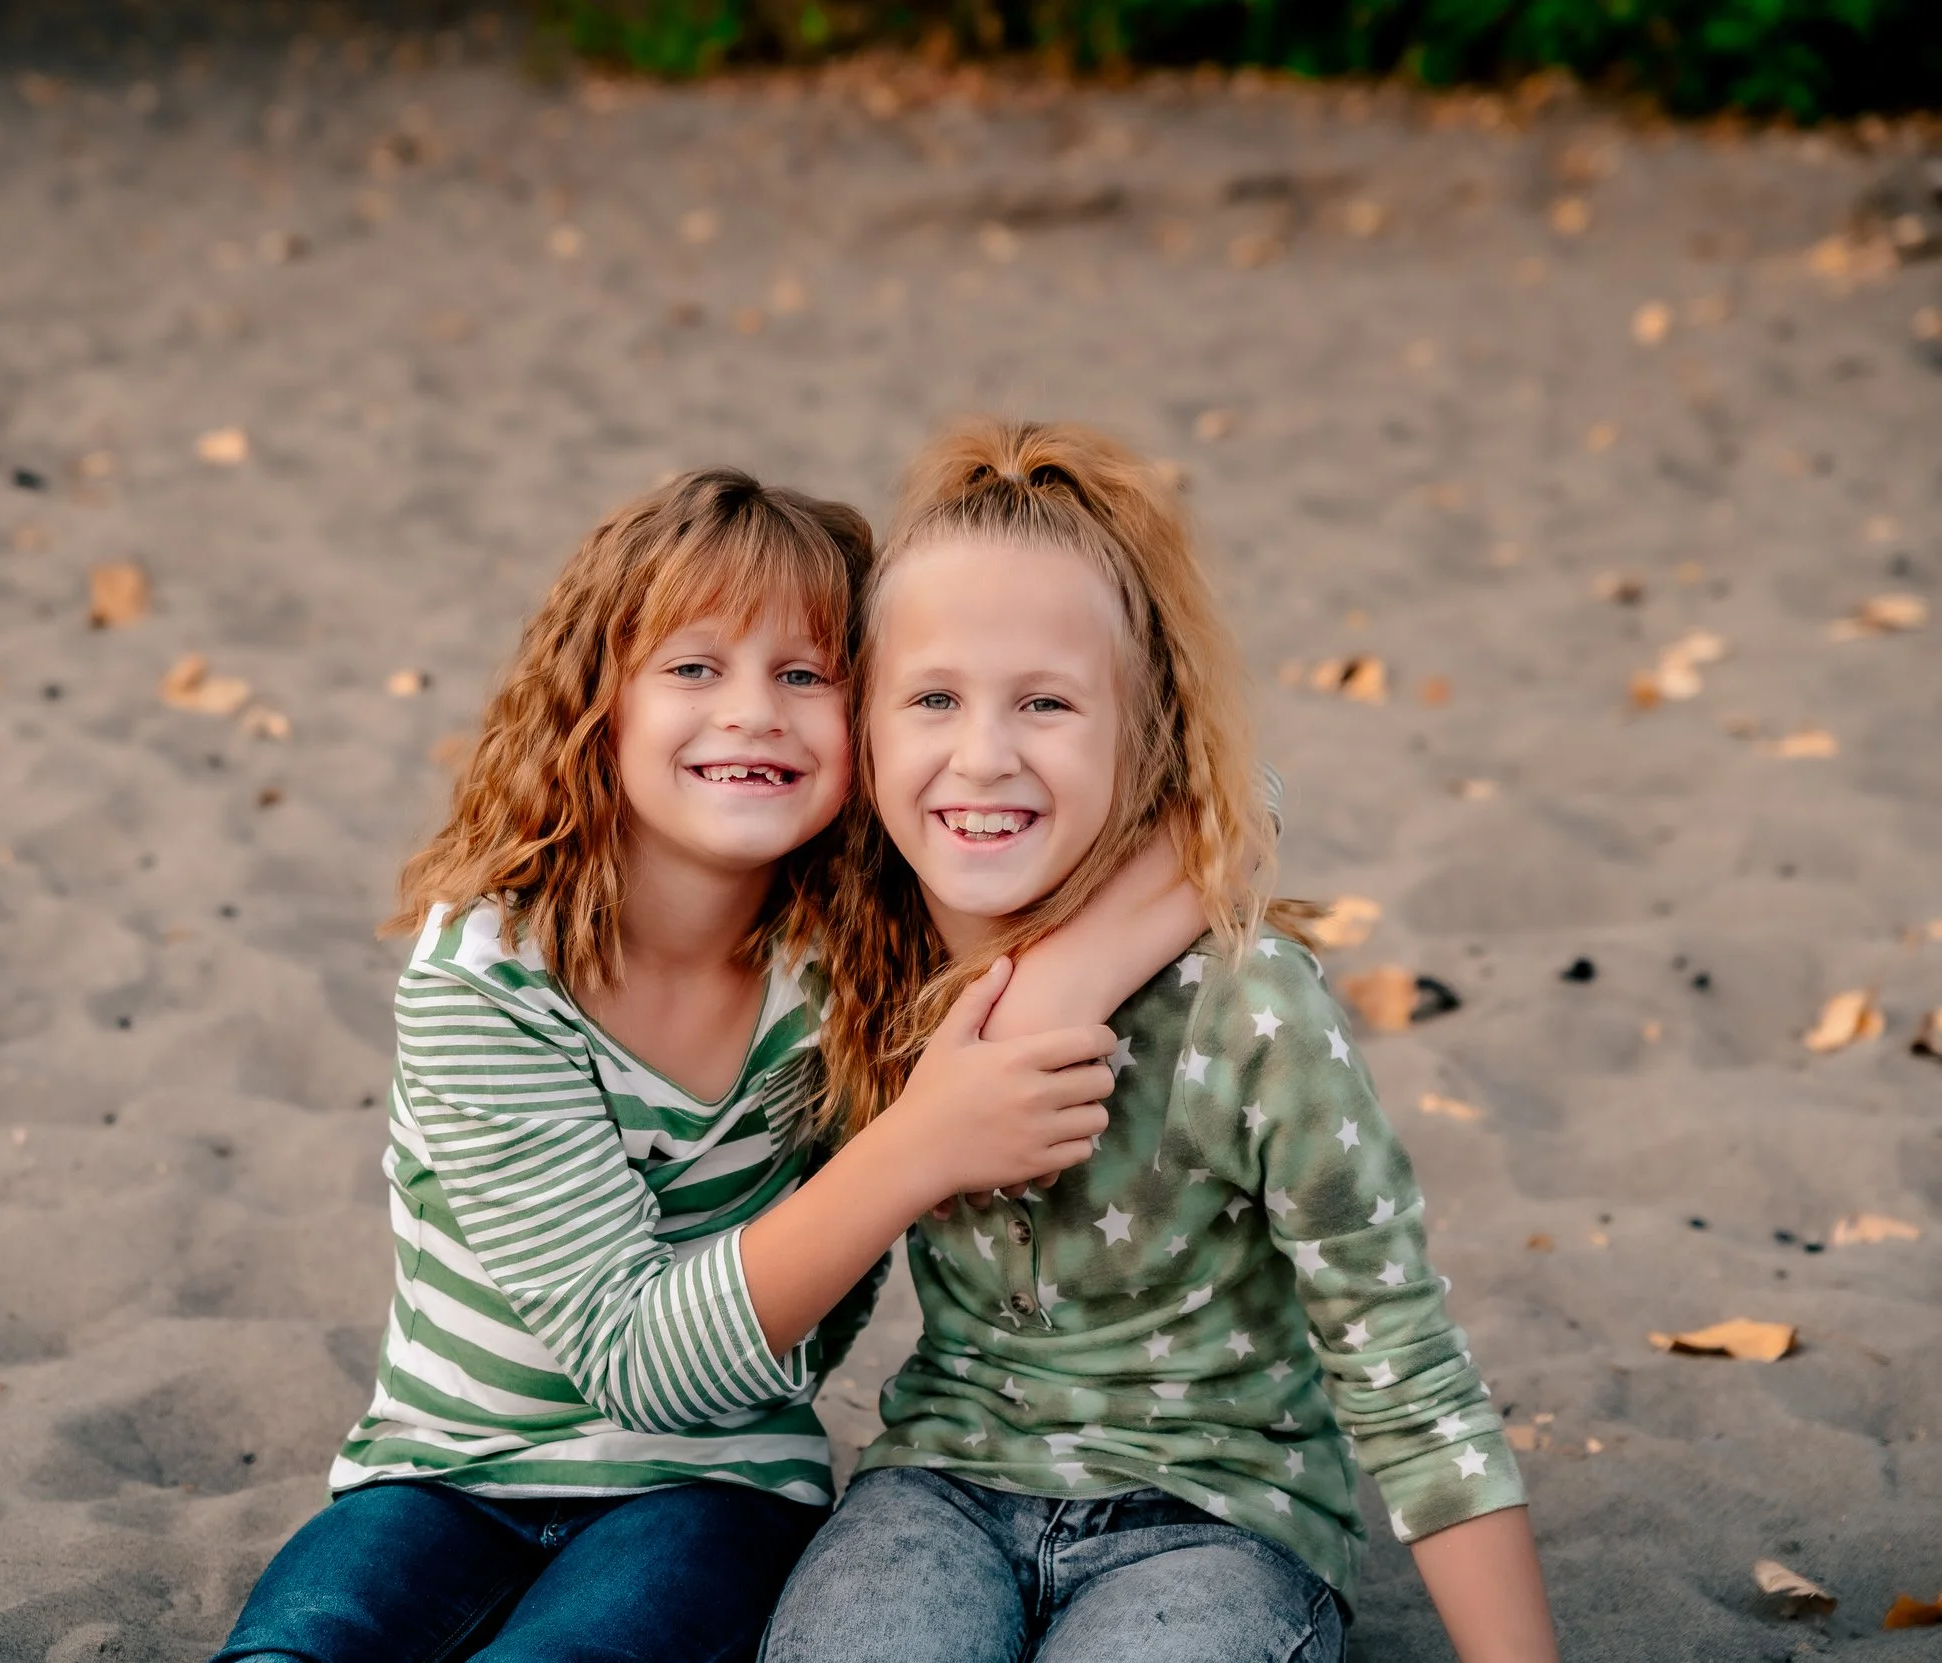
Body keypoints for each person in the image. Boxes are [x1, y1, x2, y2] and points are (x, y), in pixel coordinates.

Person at [212, 467, 1214, 1663]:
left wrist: (1051, 995)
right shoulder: (488, 972)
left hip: (717, 1487)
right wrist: (919, 1144)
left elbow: (1228, 800)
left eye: (806, 675)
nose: (752, 712)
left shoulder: (858, 954)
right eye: (694, 668)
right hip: (443, 1474)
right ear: (599, 704)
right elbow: (633, 1358)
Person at [765, 419, 1560, 1663]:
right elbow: (793, 1322)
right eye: (931, 698)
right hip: (940, 1487)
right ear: (863, 732)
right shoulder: (859, 975)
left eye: (1046, 702)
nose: (983, 753)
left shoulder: (1249, 1006)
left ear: (1143, 731)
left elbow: (1400, 1365)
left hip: (1215, 1517)